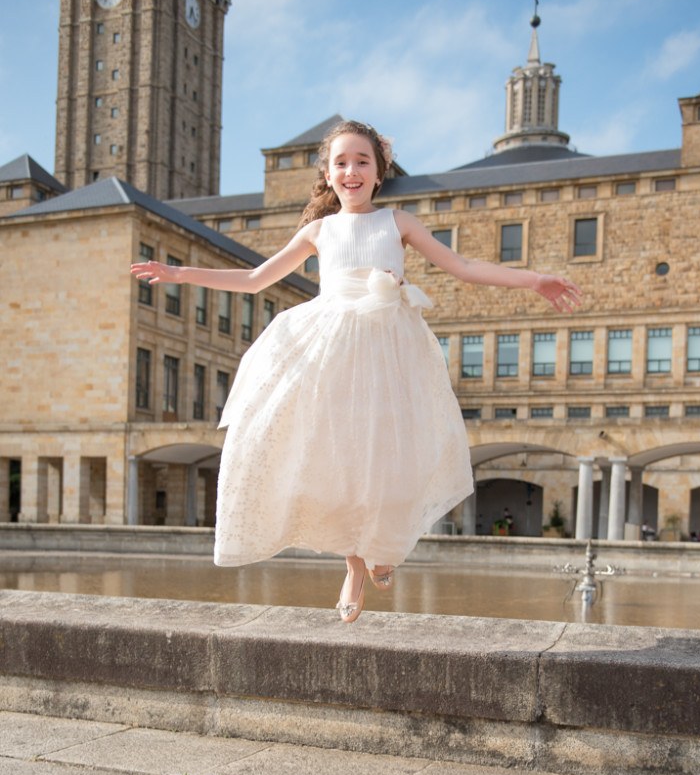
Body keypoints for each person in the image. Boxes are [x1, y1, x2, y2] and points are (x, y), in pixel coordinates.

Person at [131, 120, 579, 622]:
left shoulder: (398, 222)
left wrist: (534, 279)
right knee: (338, 460)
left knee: (389, 456)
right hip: (333, 352)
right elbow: (256, 279)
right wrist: (177, 273)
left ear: (378, 171)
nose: (351, 170)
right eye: (341, 162)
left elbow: (463, 267)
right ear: (327, 173)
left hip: (390, 354)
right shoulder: (318, 230)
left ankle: (383, 546)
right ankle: (353, 566)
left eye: (362, 161)